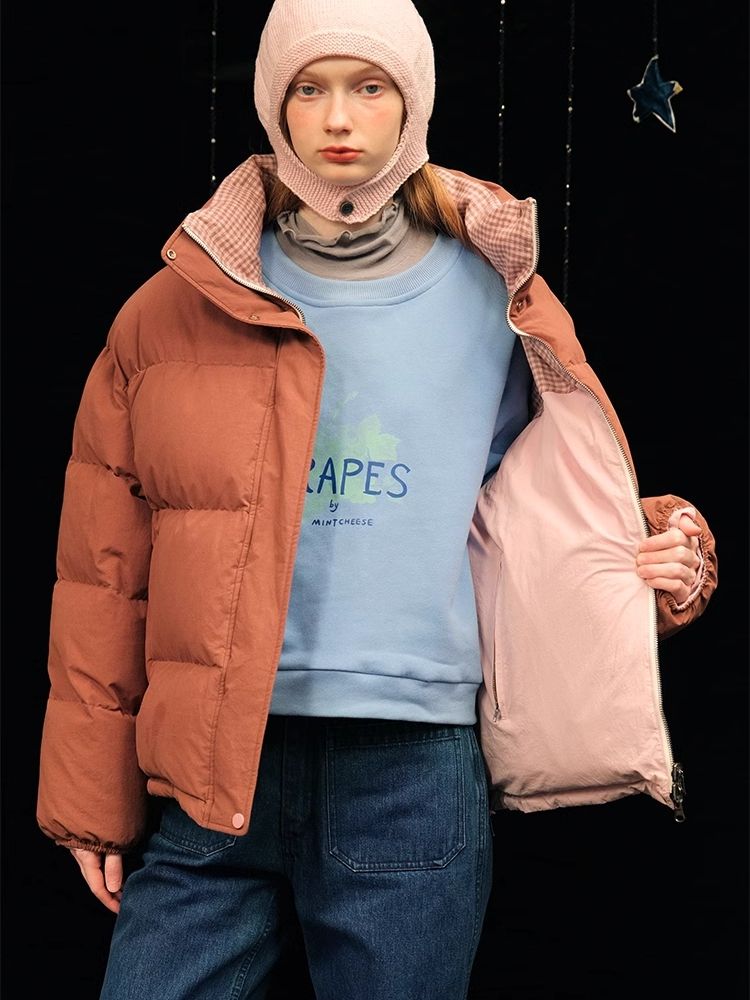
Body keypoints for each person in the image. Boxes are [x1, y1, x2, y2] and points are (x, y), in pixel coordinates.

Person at [36, 0, 718, 997]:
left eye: (370, 86)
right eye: (309, 89)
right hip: (213, 767)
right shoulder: (175, 305)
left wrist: (658, 548)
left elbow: (548, 501)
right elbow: (104, 568)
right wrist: (90, 797)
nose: (338, 118)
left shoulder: (498, 294)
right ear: (274, 105)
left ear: (414, 104)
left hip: (411, 774)